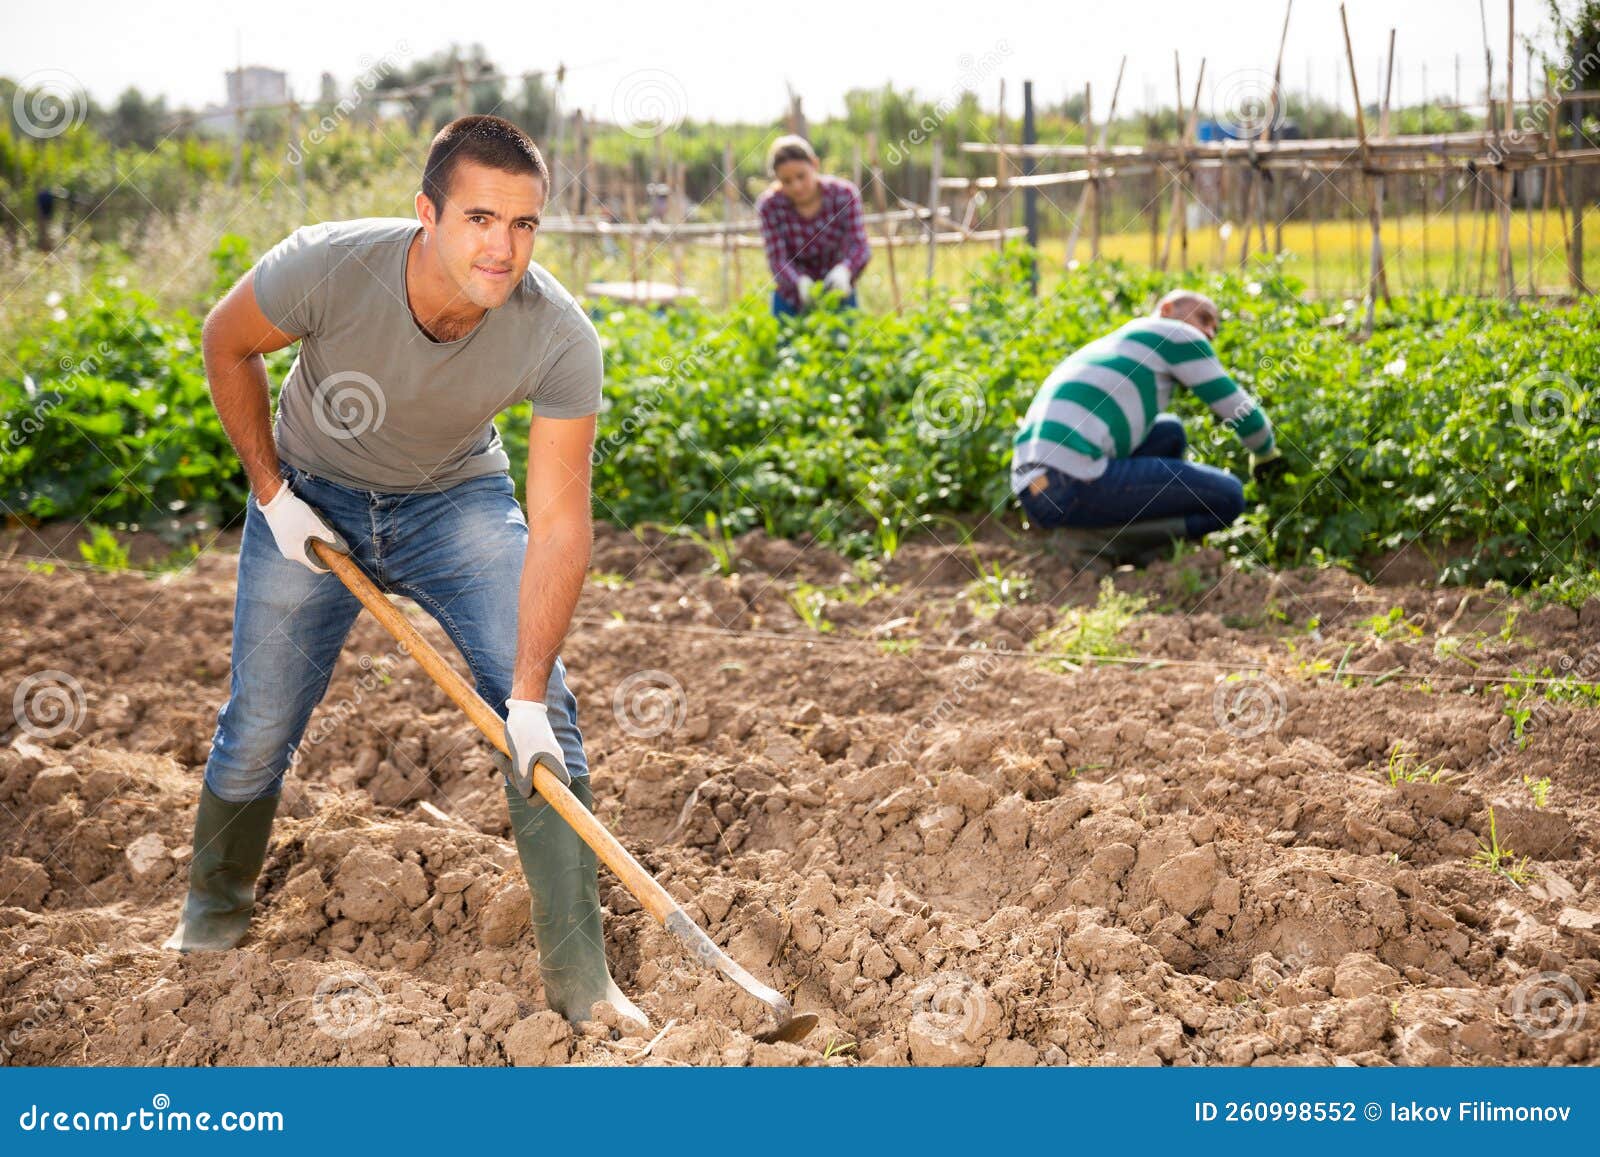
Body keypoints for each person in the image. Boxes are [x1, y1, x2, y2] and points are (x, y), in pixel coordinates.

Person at [163, 114, 646, 1031]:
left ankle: (584, 984)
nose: (503, 248)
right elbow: (224, 341)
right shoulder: (330, 265)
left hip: (452, 501)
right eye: (478, 218)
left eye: (525, 224)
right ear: (426, 212)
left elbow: (558, 522)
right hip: (311, 495)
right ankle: (209, 923)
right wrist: (272, 492)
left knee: (551, 725)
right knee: (261, 722)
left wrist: (529, 698)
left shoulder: (558, 334)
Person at [1012, 289, 1285, 563]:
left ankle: (1115, 538)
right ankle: (1091, 544)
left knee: (1169, 433)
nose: (1209, 333)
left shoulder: (1123, 340)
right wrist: (1265, 454)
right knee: (1228, 496)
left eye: (1214, 327)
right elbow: (1242, 413)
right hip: (1068, 481)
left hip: (1036, 489)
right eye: (1203, 319)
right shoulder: (1175, 334)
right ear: (1166, 309)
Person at [756, 135, 870, 317]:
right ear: (777, 179)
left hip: (838, 291)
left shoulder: (844, 195)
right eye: (786, 181)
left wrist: (845, 270)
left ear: (815, 165)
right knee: (787, 345)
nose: (796, 186)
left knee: (846, 343)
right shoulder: (770, 206)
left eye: (801, 176)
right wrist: (799, 282)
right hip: (791, 298)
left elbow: (860, 246)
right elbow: (777, 259)